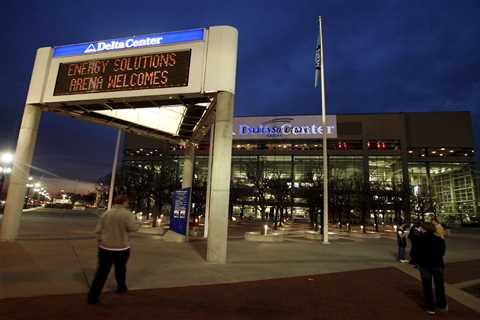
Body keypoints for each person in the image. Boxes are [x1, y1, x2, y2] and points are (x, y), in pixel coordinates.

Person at [87, 195, 141, 304]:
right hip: (121, 248)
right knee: (120, 269)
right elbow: (133, 228)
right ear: (124, 202)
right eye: (127, 202)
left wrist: (100, 241)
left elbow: (98, 230)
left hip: (105, 248)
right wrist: (138, 222)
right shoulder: (127, 214)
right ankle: (121, 287)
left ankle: (93, 296)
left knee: (101, 272)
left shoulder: (106, 214)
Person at [416, 222, 447, 315]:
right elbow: (442, 252)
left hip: (425, 266)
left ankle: (430, 308)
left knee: (427, 286)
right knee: (439, 285)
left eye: (421, 228)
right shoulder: (439, 239)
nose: (420, 230)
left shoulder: (420, 239)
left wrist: (418, 261)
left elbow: (416, 253)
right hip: (438, 264)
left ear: (425, 229)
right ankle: (442, 305)